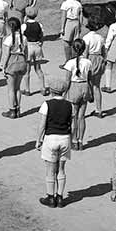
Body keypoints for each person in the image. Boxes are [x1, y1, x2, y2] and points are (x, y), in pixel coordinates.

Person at [36, 77, 73, 208]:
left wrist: (38, 140)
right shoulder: (69, 105)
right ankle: (60, 197)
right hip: (65, 138)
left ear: (51, 91)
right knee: (61, 169)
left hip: (51, 138)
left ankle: (50, 198)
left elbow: (42, 125)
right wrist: (71, 139)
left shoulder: (46, 104)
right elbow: (71, 125)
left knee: (50, 170)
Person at [1, 17, 28, 119]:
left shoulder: (8, 39)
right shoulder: (24, 38)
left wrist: (4, 66)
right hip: (21, 61)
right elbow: (26, 52)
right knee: (18, 88)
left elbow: (6, 54)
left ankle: (12, 109)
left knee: (11, 89)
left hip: (12, 61)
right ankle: (18, 109)